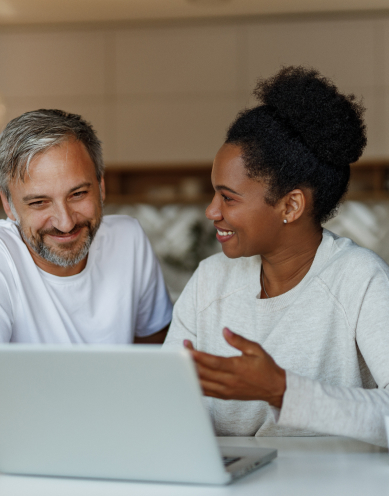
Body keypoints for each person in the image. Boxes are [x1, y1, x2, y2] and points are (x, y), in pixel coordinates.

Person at [164, 66, 389, 447]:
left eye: (228, 197)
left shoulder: (360, 280)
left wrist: (283, 391)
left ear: (291, 205)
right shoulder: (209, 281)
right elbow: (167, 400)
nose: (211, 211)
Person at [0, 109, 172, 343]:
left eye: (78, 194)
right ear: (8, 205)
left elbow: (156, 351)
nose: (65, 222)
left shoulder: (128, 239)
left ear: (101, 186)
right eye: (39, 202)